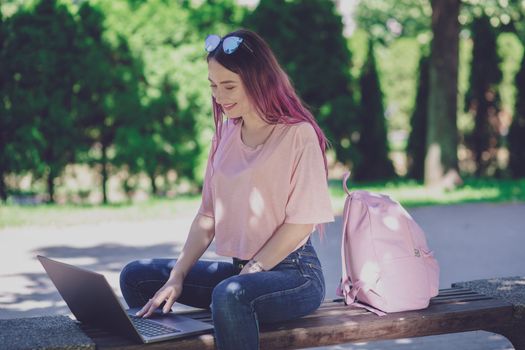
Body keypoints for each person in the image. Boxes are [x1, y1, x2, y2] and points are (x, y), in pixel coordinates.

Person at [119, 28, 334, 350]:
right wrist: (176, 276)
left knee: (231, 295)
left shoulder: (297, 135)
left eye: (229, 86)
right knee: (137, 276)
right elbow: (207, 215)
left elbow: (301, 222)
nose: (219, 96)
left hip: (294, 274)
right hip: (241, 273)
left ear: (259, 80)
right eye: (213, 86)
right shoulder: (225, 135)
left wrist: (252, 271)